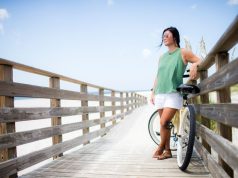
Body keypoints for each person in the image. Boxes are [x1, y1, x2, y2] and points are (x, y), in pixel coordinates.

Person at [150, 27, 201, 160]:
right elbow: (158, 75)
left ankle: (160, 147)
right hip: (160, 92)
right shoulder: (162, 56)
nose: (164, 37)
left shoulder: (182, 52)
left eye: (167, 35)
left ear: (175, 37)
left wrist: (194, 65)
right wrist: (152, 92)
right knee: (164, 124)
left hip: (173, 93)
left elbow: (199, 60)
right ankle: (167, 151)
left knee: (164, 121)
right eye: (163, 35)